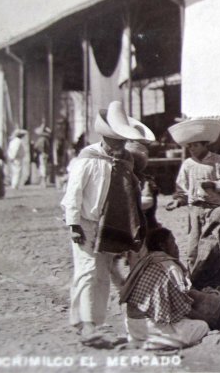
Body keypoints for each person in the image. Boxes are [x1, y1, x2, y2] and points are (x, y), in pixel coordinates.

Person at [60, 100, 154, 344]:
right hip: (85, 222)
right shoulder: (87, 159)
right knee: (88, 271)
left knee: (100, 273)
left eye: (122, 141)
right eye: (114, 141)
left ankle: (91, 322)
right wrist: (73, 224)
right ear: (103, 138)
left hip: (109, 225)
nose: (118, 146)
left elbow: (129, 193)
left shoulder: (126, 161)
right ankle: (87, 324)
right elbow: (74, 193)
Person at [166, 119, 220, 290]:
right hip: (195, 210)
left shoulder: (217, 161)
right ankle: (195, 283)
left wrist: (214, 185)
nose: (192, 149)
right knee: (193, 248)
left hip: (215, 210)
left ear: (204, 145)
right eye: (189, 146)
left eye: (195, 145)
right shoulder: (188, 165)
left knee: (217, 246)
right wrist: (178, 200)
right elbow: (182, 188)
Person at [120, 228, 210, 350]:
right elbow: (183, 308)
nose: (176, 247)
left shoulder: (145, 261)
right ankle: (158, 342)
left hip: (132, 326)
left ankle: (146, 341)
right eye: (173, 242)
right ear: (163, 246)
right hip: (150, 327)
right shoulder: (169, 266)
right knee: (202, 326)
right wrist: (207, 319)